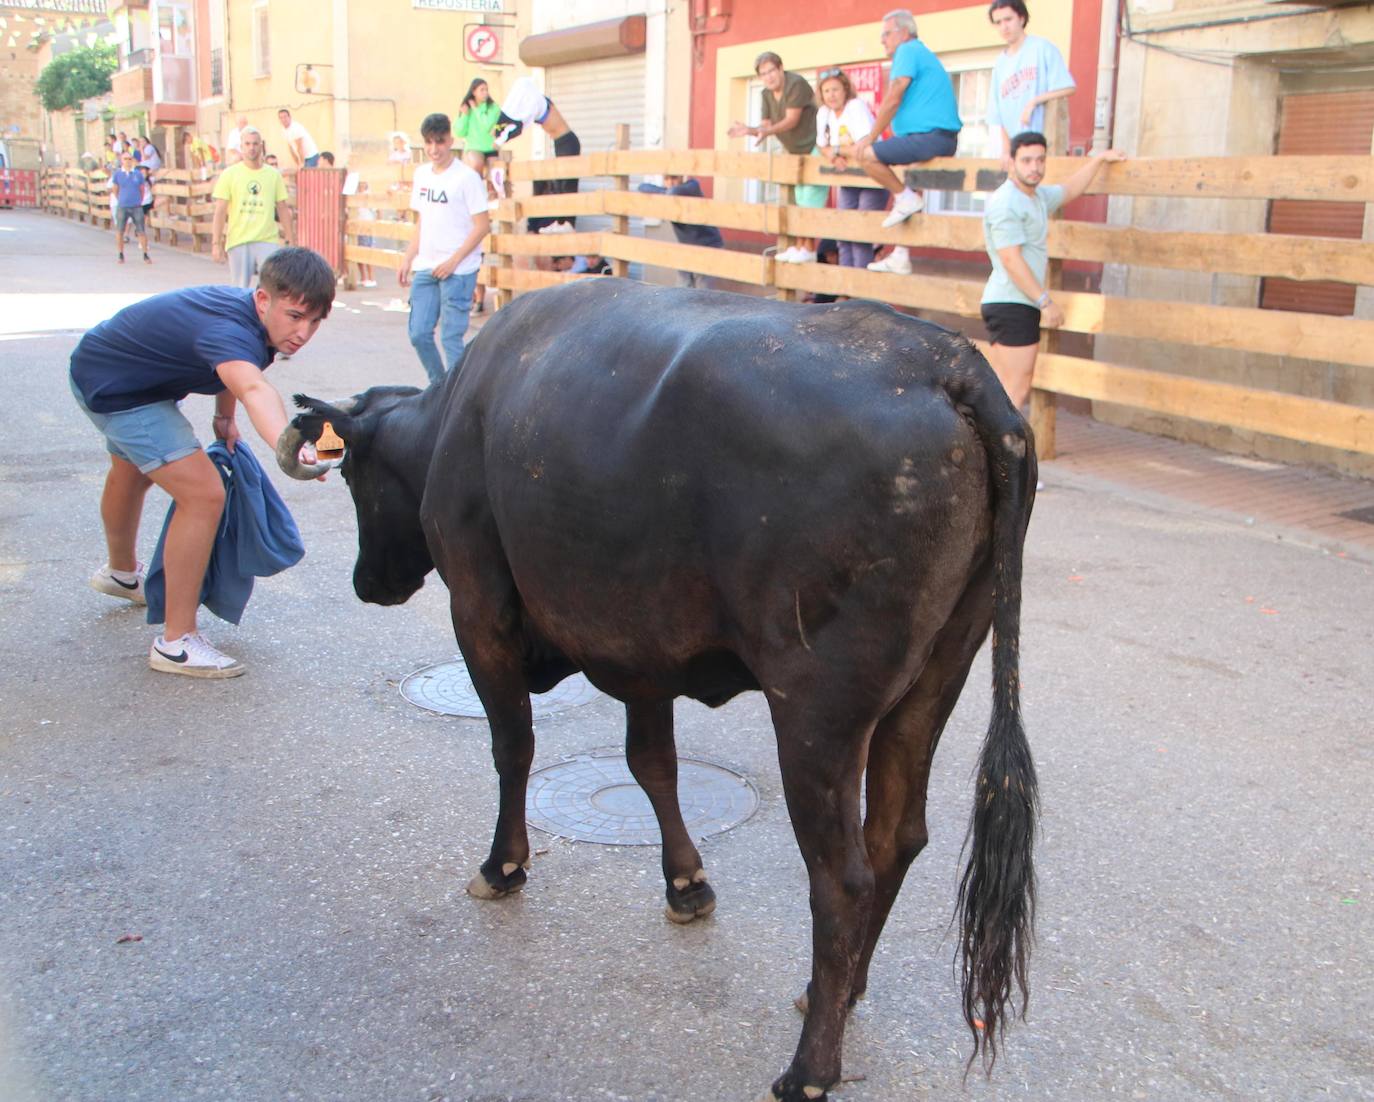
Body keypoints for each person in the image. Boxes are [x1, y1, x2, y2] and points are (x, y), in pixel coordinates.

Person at [70, 247, 336, 678]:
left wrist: (224, 418)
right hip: (118, 390)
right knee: (204, 494)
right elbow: (252, 385)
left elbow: (234, 370)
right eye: (294, 316)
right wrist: (290, 446)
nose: (303, 332)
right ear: (263, 300)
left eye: (315, 320)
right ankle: (176, 642)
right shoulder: (231, 329)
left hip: (109, 367)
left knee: (132, 471)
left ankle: (120, 575)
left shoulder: (256, 322)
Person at [980, 131, 1124, 408]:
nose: (1035, 167)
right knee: (1016, 389)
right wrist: (1044, 301)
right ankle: (1004, 451)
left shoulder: (1037, 197)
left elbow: (1070, 189)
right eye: (1026, 161)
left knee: (1003, 389)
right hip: (1012, 303)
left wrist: (1099, 159)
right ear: (1011, 162)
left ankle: (991, 450)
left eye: (1040, 160)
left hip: (1014, 303)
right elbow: (1011, 259)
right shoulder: (1006, 202)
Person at [853, 9, 962, 275]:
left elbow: (895, 94)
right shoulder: (919, 52)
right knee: (907, 200)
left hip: (931, 137)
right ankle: (901, 254)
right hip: (931, 138)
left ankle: (904, 197)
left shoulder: (908, 50)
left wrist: (872, 135)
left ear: (903, 32)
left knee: (867, 155)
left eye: (886, 34)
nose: (883, 40)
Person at [399, 112, 490, 385]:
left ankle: (458, 396)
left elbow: (482, 225)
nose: (434, 149)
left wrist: (454, 261)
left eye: (439, 142)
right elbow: (422, 221)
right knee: (419, 333)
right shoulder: (422, 175)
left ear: (450, 140)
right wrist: (408, 257)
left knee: (451, 337)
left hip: (459, 269)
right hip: (426, 264)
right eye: (428, 142)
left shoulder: (466, 178)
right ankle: (441, 388)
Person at [728, 52, 826, 263]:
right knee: (796, 200)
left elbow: (791, 120)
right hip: (792, 151)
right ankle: (798, 246)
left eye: (771, 71)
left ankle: (808, 248)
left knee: (810, 199)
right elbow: (765, 127)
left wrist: (766, 131)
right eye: (763, 74)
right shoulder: (765, 94)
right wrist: (750, 130)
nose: (768, 77)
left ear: (781, 69)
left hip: (814, 146)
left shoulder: (796, 84)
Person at [987, 0, 1075, 161]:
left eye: (1008, 19)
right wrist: (1006, 151)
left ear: (1021, 18)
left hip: (1043, 146)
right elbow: (998, 115)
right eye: (998, 22)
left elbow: (1068, 87)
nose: (1004, 27)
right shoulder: (1000, 63)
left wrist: (1034, 101)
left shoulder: (1042, 48)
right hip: (1016, 151)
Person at [815, 67, 884, 271]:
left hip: (872, 174)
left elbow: (862, 145)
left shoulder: (855, 106)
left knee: (860, 233)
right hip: (847, 177)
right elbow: (821, 145)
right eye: (826, 91)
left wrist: (837, 150)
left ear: (845, 90)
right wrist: (832, 155)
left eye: (835, 89)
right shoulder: (824, 113)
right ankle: (845, 290)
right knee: (843, 233)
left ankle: (860, 291)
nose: (831, 95)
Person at [495, 77, 581, 234]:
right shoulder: (539, 103)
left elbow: (516, 125)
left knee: (567, 184)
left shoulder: (535, 103)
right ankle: (562, 222)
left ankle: (567, 223)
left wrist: (498, 140)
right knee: (562, 184)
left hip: (566, 141)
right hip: (562, 141)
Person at [211, 127, 295, 289]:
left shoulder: (273, 175)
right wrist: (216, 243)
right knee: (240, 289)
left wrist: (290, 239)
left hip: (267, 239)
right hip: (239, 240)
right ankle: (241, 315)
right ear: (241, 147)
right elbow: (220, 211)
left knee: (271, 287)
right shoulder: (230, 174)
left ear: (261, 146)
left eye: (255, 144)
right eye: (247, 144)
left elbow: (282, 208)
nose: (252, 148)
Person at [635, 174, 723, 288]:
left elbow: (674, 192)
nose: (670, 182)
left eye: (674, 178)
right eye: (666, 179)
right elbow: (642, 187)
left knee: (704, 290)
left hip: (707, 246)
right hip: (686, 247)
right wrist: (665, 192)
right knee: (682, 287)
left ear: (681, 178)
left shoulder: (691, 187)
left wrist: (663, 193)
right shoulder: (668, 194)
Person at [110, 151, 150, 265]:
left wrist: (139, 200)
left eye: (129, 159)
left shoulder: (137, 174)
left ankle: (145, 254)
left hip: (136, 206)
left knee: (141, 231)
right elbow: (115, 189)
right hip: (123, 206)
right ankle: (120, 253)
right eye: (125, 159)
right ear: (122, 161)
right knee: (120, 231)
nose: (127, 161)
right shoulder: (118, 174)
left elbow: (142, 189)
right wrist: (121, 199)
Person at [455, 78, 501, 158]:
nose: (485, 93)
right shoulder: (467, 107)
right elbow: (460, 133)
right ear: (474, 92)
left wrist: (476, 109)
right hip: (473, 148)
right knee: (476, 162)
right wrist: (464, 116)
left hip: (491, 148)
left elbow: (488, 125)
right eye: (482, 90)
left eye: (486, 90)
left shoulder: (493, 107)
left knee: (495, 168)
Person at [355, 179, 378, 288]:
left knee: (368, 252)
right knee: (359, 252)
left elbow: (376, 210)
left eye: (363, 182)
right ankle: (363, 277)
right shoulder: (354, 195)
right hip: (358, 226)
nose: (361, 184)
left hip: (367, 226)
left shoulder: (368, 195)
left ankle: (371, 277)